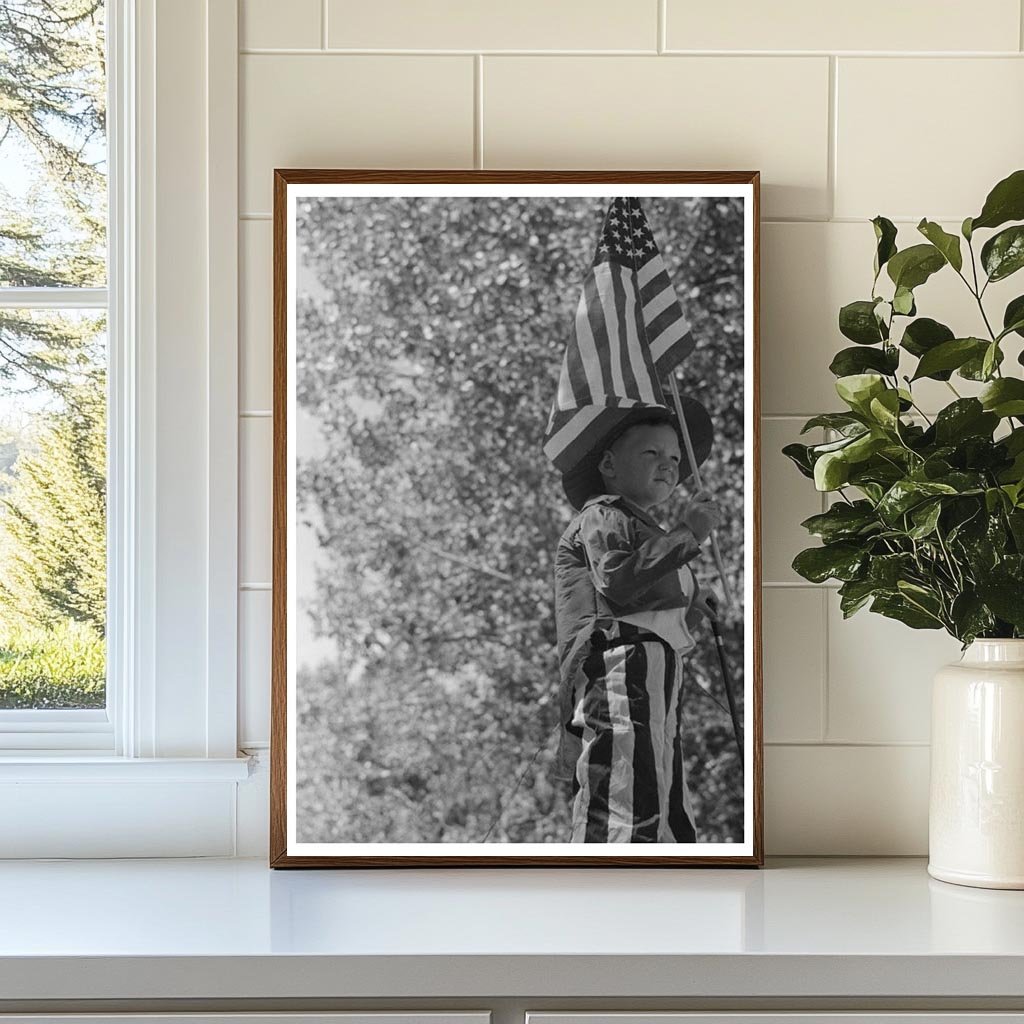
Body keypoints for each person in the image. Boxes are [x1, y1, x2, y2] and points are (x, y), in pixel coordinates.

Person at [553, 408, 723, 843]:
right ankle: (616, 867)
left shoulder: (649, 529)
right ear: (609, 465)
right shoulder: (604, 514)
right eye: (651, 452)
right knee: (624, 777)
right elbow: (617, 581)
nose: (668, 464)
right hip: (619, 661)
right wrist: (688, 534)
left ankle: (667, 859)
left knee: (660, 774)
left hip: (656, 669)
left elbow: (661, 609)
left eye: (674, 456)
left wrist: (692, 601)